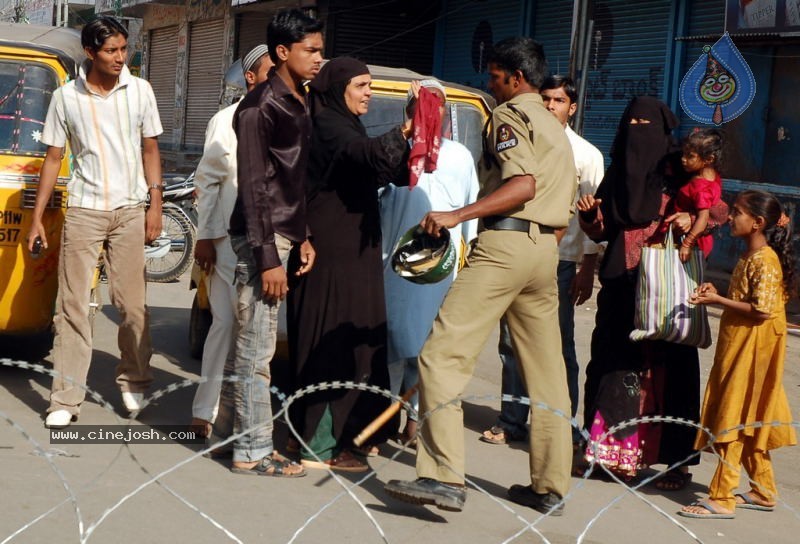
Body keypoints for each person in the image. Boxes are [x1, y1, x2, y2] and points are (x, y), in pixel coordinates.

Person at [384, 37, 576, 515]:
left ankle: (442, 476)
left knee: (440, 355)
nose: (489, 84)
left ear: (516, 77)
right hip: (543, 251)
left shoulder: (510, 116)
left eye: (494, 76)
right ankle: (550, 486)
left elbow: (522, 184)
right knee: (547, 373)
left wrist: (457, 215)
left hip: (506, 246)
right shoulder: (556, 128)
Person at [575, 96, 727, 488]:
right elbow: (602, 230)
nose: (639, 134)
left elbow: (720, 209)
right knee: (613, 366)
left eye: (648, 125)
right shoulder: (619, 173)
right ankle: (611, 454)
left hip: (670, 287)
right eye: (633, 125)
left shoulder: (682, 169)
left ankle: (677, 462)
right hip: (623, 285)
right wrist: (591, 217)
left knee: (671, 371)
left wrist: (693, 218)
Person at [27, 16, 163, 429]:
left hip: (128, 210)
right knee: (71, 306)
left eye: (124, 49)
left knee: (131, 304)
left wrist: (154, 205)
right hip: (84, 210)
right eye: (111, 51)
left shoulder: (140, 90)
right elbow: (53, 159)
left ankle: (135, 378)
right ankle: (65, 398)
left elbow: (151, 148)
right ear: (90, 53)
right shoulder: (66, 98)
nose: (120, 58)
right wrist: (36, 219)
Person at [209, 8, 323, 478]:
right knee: (257, 351)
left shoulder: (298, 99)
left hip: (280, 235)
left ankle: (239, 438)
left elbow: (291, 180)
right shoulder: (258, 107)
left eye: (320, 49)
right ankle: (253, 451)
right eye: (311, 50)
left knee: (253, 346)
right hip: (259, 240)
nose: (320, 58)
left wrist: (304, 234)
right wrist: (269, 257)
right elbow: (254, 187)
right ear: (282, 52)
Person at [287, 57, 413, 473]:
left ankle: (344, 433)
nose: (368, 93)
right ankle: (319, 445)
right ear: (338, 89)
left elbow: (386, 169)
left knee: (357, 339)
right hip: (330, 256)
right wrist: (406, 128)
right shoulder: (328, 126)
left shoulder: (346, 125)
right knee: (332, 342)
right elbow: (366, 154)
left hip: (353, 255)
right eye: (360, 85)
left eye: (369, 85)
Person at [480, 75, 604, 449]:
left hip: (561, 262)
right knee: (510, 343)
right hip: (518, 253)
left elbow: (592, 217)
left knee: (559, 346)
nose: (551, 107)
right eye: (546, 99)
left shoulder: (586, 155)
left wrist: (587, 267)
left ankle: (562, 427)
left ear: (572, 107)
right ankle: (512, 420)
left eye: (559, 101)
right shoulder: (522, 140)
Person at [679, 190, 796, 519]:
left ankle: (722, 496)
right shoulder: (751, 256)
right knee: (747, 416)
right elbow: (748, 299)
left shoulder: (765, 260)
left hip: (753, 352)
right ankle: (763, 489)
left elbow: (761, 310)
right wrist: (717, 293)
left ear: (757, 222)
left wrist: (718, 302)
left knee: (735, 418)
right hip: (739, 345)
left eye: (737, 213)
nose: (730, 218)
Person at [380, 79, 480, 447]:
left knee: (426, 344)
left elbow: (469, 212)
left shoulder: (459, 155)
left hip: (438, 265)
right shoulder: (394, 150)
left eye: (436, 105)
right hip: (394, 260)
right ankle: (386, 414)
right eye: (422, 105)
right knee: (392, 339)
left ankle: (414, 418)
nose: (430, 112)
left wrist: (468, 256)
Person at [189, 45, 273, 438]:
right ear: (251, 78)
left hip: (271, 242)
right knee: (226, 323)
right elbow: (207, 180)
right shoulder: (227, 119)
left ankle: (239, 415)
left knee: (254, 332)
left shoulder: (288, 115)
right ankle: (205, 413)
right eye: (270, 71)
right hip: (228, 239)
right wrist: (205, 236)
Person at [670, 129, 723, 262]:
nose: (683, 159)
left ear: (709, 159)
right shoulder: (713, 177)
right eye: (683, 154)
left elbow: (703, 218)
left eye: (690, 156)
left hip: (691, 241)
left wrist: (687, 243)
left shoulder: (701, 187)